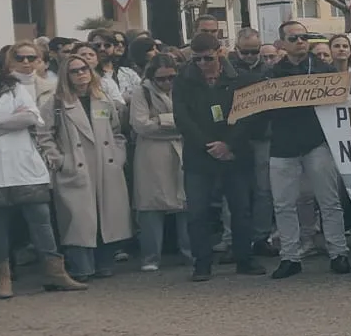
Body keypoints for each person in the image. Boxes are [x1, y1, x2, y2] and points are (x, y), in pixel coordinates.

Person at [0, 45, 80, 296]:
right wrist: (12, 122)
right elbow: (20, 120)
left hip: (24, 166)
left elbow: (32, 118)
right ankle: (2, 279)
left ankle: (55, 273)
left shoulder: (14, 87)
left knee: (41, 222)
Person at [267, 19, 351, 278]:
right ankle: (290, 257)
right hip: (282, 146)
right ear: (282, 43)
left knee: (329, 201)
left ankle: (339, 252)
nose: (300, 42)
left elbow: (341, 99)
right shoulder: (270, 74)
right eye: (293, 39)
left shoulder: (323, 70)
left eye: (304, 37)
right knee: (283, 205)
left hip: (316, 143)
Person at [176, 35, 264, 281]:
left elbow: (248, 115)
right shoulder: (184, 80)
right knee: (198, 212)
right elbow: (183, 118)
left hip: (235, 152)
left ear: (221, 53)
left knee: (241, 209)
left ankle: (244, 258)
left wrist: (229, 144)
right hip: (199, 154)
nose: (203, 63)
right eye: (198, 59)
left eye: (208, 58)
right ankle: (201, 264)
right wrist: (209, 146)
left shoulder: (240, 78)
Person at [46, 50, 131, 281]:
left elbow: (117, 131)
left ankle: (105, 262)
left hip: (106, 163)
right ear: (66, 75)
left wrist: (118, 155)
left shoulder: (102, 98)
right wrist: (60, 160)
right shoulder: (55, 103)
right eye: (75, 71)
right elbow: (44, 135)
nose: (81, 74)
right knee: (79, 219)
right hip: (76, 166)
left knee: (107, 215)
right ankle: (82, 267)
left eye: (84, 69)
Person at [128, 51, 188, 272]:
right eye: (161, 79)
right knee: (150, 206)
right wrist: (177, 123)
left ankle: (190, 252)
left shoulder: (184, 88)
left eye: (171, 77)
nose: (166, 82)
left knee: (186, 203)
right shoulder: (141, 92)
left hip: (182, 148)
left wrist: (161, 122)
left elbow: (194, 118)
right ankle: (150, 257)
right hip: (152, 153)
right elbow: (141, 125)